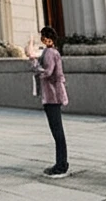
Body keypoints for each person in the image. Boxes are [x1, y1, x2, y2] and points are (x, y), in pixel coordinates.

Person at [26, 26, 68, 178]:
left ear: (48, 38)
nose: (42, 39)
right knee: (58, 131)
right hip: (54, 95)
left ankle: (61, 165)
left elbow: (47, 72)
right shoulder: (54, 52)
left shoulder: (50, 52)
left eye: (43, 37)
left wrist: (34, 62)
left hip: (52, 96)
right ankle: (62, 163)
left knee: (57, 132)